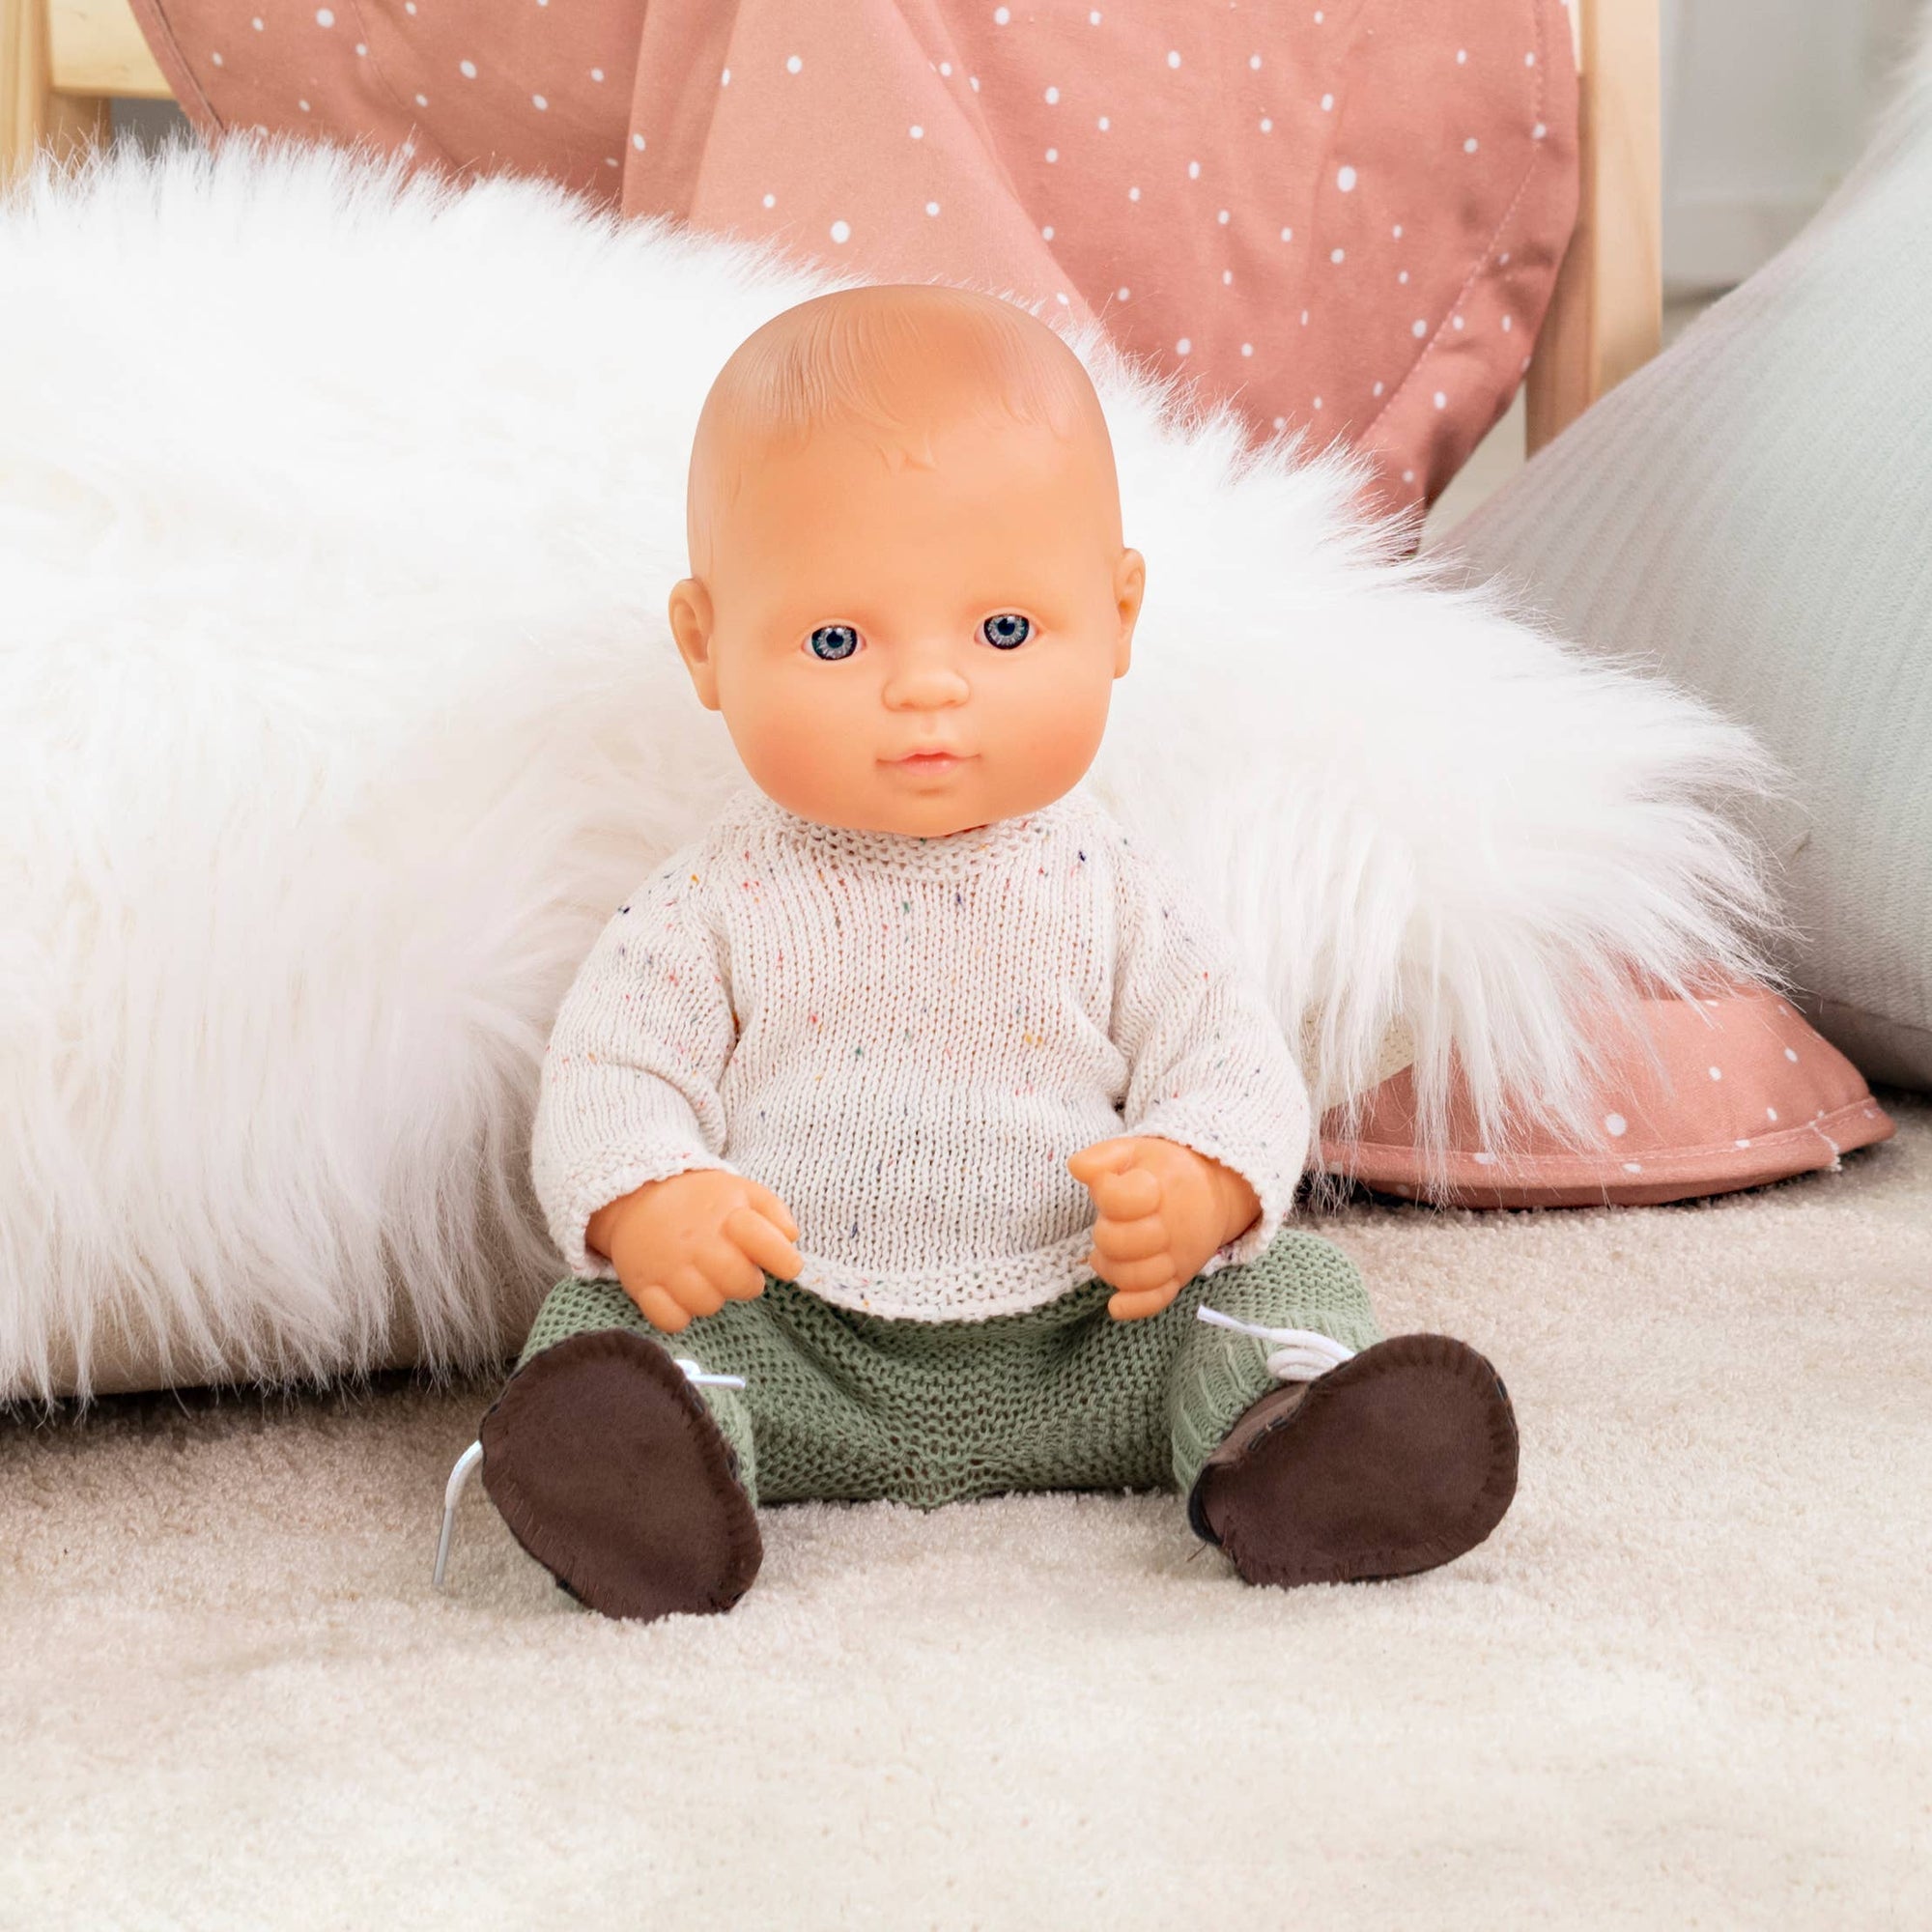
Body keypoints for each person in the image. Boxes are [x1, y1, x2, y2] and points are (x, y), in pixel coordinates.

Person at [475, 285, 1518, 1620]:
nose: (928, 687)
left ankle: (1287, 1443)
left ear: (1121, 615)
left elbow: (1231, 1059)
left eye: (1005, 631)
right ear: (707, 644)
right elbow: (613, 1073)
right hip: (800, 1344)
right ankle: (661, 1474)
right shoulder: (708, 903)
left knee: (1289, 1278)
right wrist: (650, 1199)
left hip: (1091, 1340)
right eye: (838, 639)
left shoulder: (1119, 886)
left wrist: (1201, 1185)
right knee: (604, 1325)